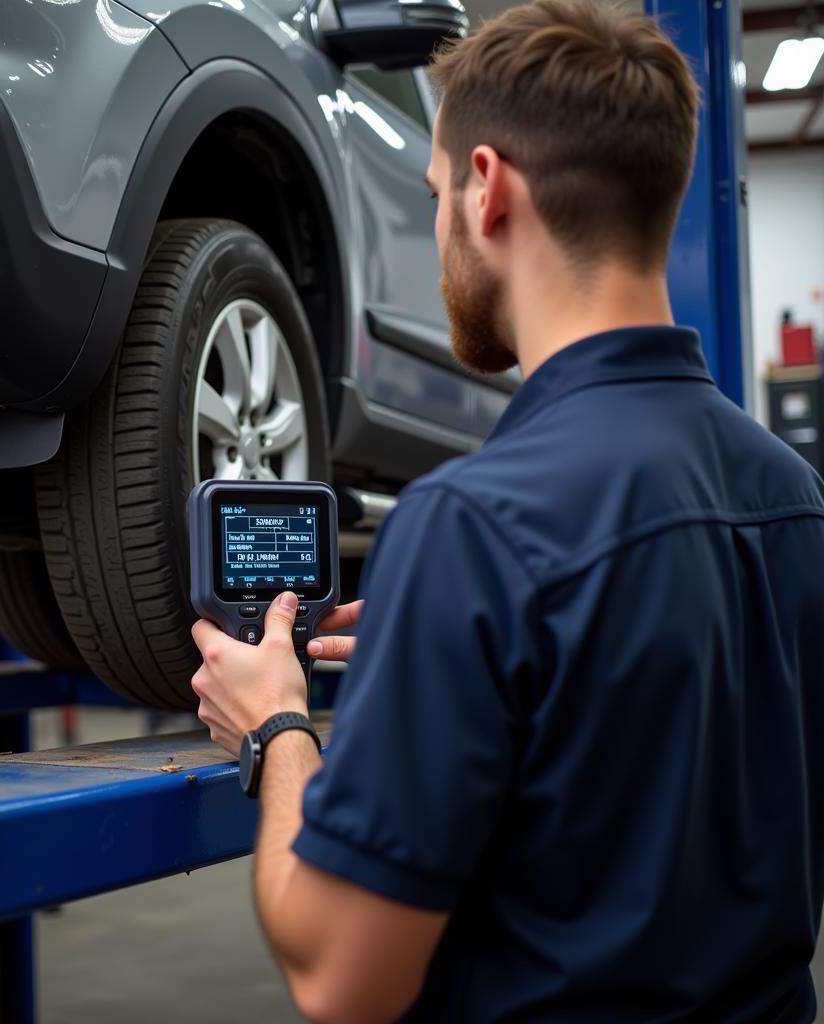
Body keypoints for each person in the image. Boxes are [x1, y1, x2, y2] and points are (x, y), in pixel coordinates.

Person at [190, 1, 824, 1020]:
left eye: (436, 192)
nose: (439, 226)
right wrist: (435, 659)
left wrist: (275, 728)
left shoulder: (469, 526)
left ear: (487, 191)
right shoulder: (793, 497)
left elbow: (339, 978)